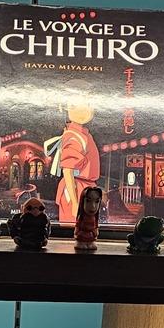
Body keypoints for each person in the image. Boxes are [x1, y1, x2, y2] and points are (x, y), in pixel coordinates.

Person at [46, 79, 99, 224]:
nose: (86, 110)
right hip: (76, 190)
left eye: (88, 104)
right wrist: (75, 202)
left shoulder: (82, 134)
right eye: (76, 105)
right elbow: (68, 171)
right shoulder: (73, 136)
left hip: (86, 189)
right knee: (74, 228)